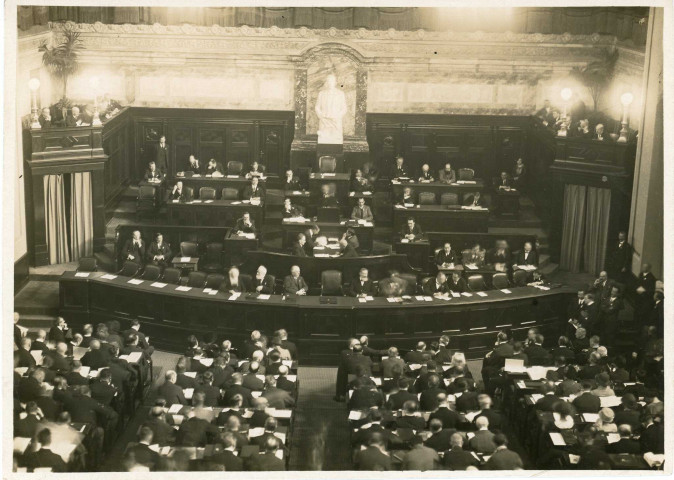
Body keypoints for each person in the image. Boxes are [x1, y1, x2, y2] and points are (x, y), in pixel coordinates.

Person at [315, 73, 347, 145]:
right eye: (328, 81)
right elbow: (317, 107)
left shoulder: (340, 94)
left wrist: (337, 116)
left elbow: (344, 108)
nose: (330, 83)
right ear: (326, 82)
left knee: (336, 139)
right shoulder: (321, 93)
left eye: (332, 81)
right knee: (323, 139)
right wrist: (321, 116)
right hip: (324, 121)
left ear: (335, 82)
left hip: (336, 121)